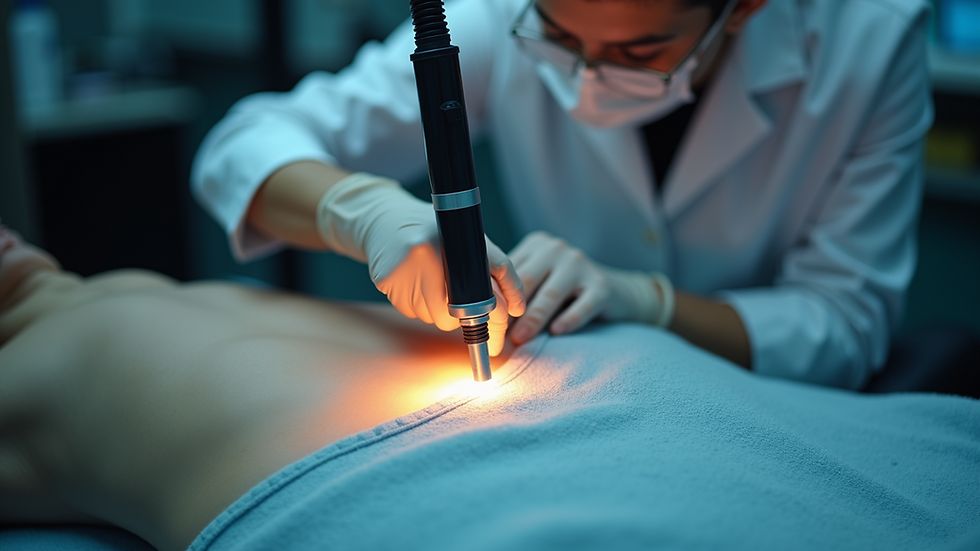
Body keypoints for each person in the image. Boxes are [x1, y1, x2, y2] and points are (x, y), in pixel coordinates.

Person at [2, 224, 979, 551]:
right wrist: (354, 206)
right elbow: (258, 144)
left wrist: (371, 220)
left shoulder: (118, 284)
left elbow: (844, 313)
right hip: (428, 474)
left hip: (618, 377)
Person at [193, 0, 932, 390]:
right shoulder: (496, 18)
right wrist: (365, 213)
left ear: (745, 7)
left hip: (768, 401)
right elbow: (241, 146)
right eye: (559, 37)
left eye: (639, 53)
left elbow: (845, 323)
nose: (584, 82)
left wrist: (649, 301)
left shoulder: (871, 40)